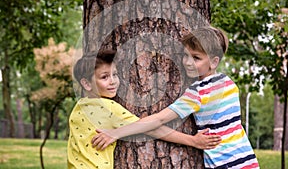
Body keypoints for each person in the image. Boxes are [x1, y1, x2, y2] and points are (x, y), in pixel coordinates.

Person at [91, 27, 260, 169]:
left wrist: (116, 133)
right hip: (247, 159)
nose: (187, 62)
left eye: (196, 58)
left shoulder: (199, 92)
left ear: (214, 62)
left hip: (225, 163)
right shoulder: (228, 83)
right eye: (186, 55)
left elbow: (158, 120)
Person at [67, 49, 221, 169]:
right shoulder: (107, 107)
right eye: (104, 77)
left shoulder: (79, 106)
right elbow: (151, 129)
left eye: (115, 74)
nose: (113, 81)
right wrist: (192, 140)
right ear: (87, 84)